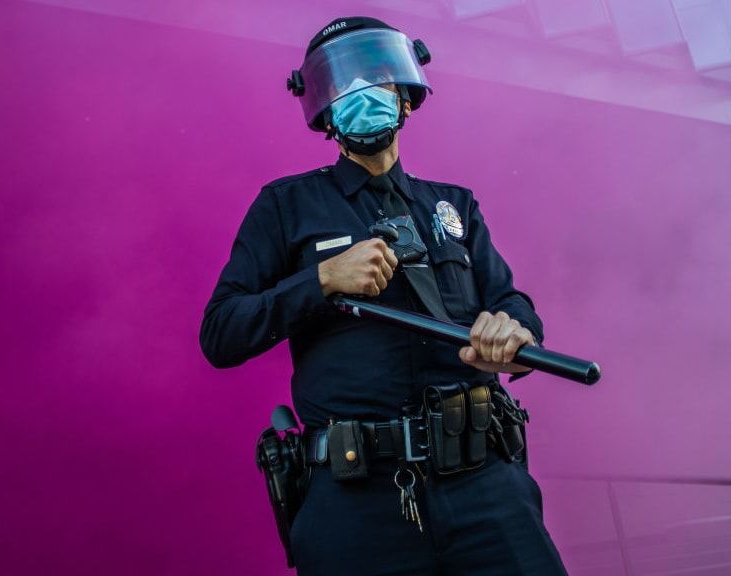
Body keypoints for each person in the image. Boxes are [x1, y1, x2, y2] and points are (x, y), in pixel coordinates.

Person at [200, 16, 567, 576]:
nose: (361, 95)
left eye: (376, 80)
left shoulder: (455, 206)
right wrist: (321, 279)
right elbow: (221, 333)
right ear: (324, 112)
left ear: (408, 97)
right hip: (356, 501)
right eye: (343, 87)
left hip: (486, 488)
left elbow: (513, 302)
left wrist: (514, 330)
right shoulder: (285, 207)